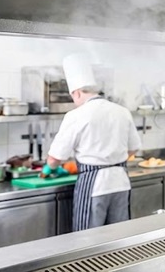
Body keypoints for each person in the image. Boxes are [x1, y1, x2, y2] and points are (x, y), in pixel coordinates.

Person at [45, 53, 141, 231]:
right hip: (121, 182)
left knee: (87, 240)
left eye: (73, 96)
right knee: (119, 238)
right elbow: (133, 148)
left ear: (78, 92)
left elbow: (53, 159)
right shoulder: (121, 111)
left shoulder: (76, 115)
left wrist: (49, 169)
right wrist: (111, 158)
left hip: (94, 185)